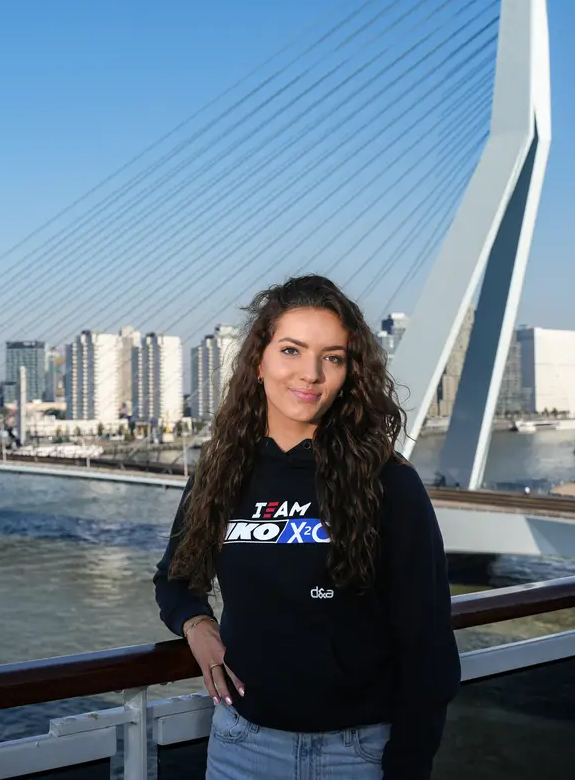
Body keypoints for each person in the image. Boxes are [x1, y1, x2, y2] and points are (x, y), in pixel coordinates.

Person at [154, 275, 460, 779]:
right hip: (241, 749)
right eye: (291, 350)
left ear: (349, 372)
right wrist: (197, 625)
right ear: (259, 362)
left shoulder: (388, 482)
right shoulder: (221, 471)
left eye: (332, 357)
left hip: (358, 754)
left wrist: (408, 766)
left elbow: (427, 645)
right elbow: (175, 578)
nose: (311, 374)